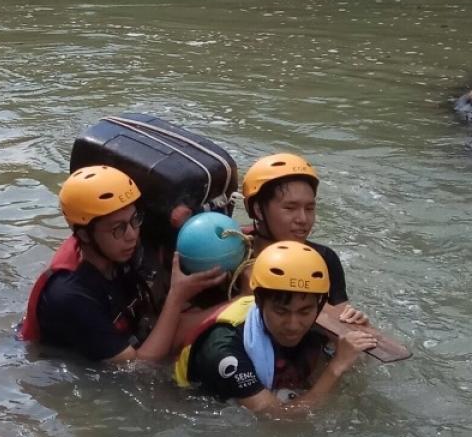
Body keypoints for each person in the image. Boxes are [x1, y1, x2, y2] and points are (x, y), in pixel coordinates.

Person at [19, 165, 226, 362]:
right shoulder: (69, 295)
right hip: (82, 370)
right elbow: (137, 366)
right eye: (117, 228)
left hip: (132, 334)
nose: (132, 236)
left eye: (135, 219)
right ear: (85, 235)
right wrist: (177, 296)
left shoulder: (115, 248)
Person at [174, 241, 377, 415]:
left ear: (320, 306)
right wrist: (336, 368)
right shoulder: (223, 348)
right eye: (281, 311)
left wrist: (355, 340)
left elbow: (354, 375)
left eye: (304, 312)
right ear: (260, 301)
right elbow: (277, 418)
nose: (293, 324)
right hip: (199, 410)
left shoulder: (318, 324)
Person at [241, 153, 366, 323]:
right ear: (257, 209)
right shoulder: (232, 254)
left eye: (309, 208)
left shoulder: (324, 259)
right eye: (290, 208)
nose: (303, 219)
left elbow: (340, 313)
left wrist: (353, 322)